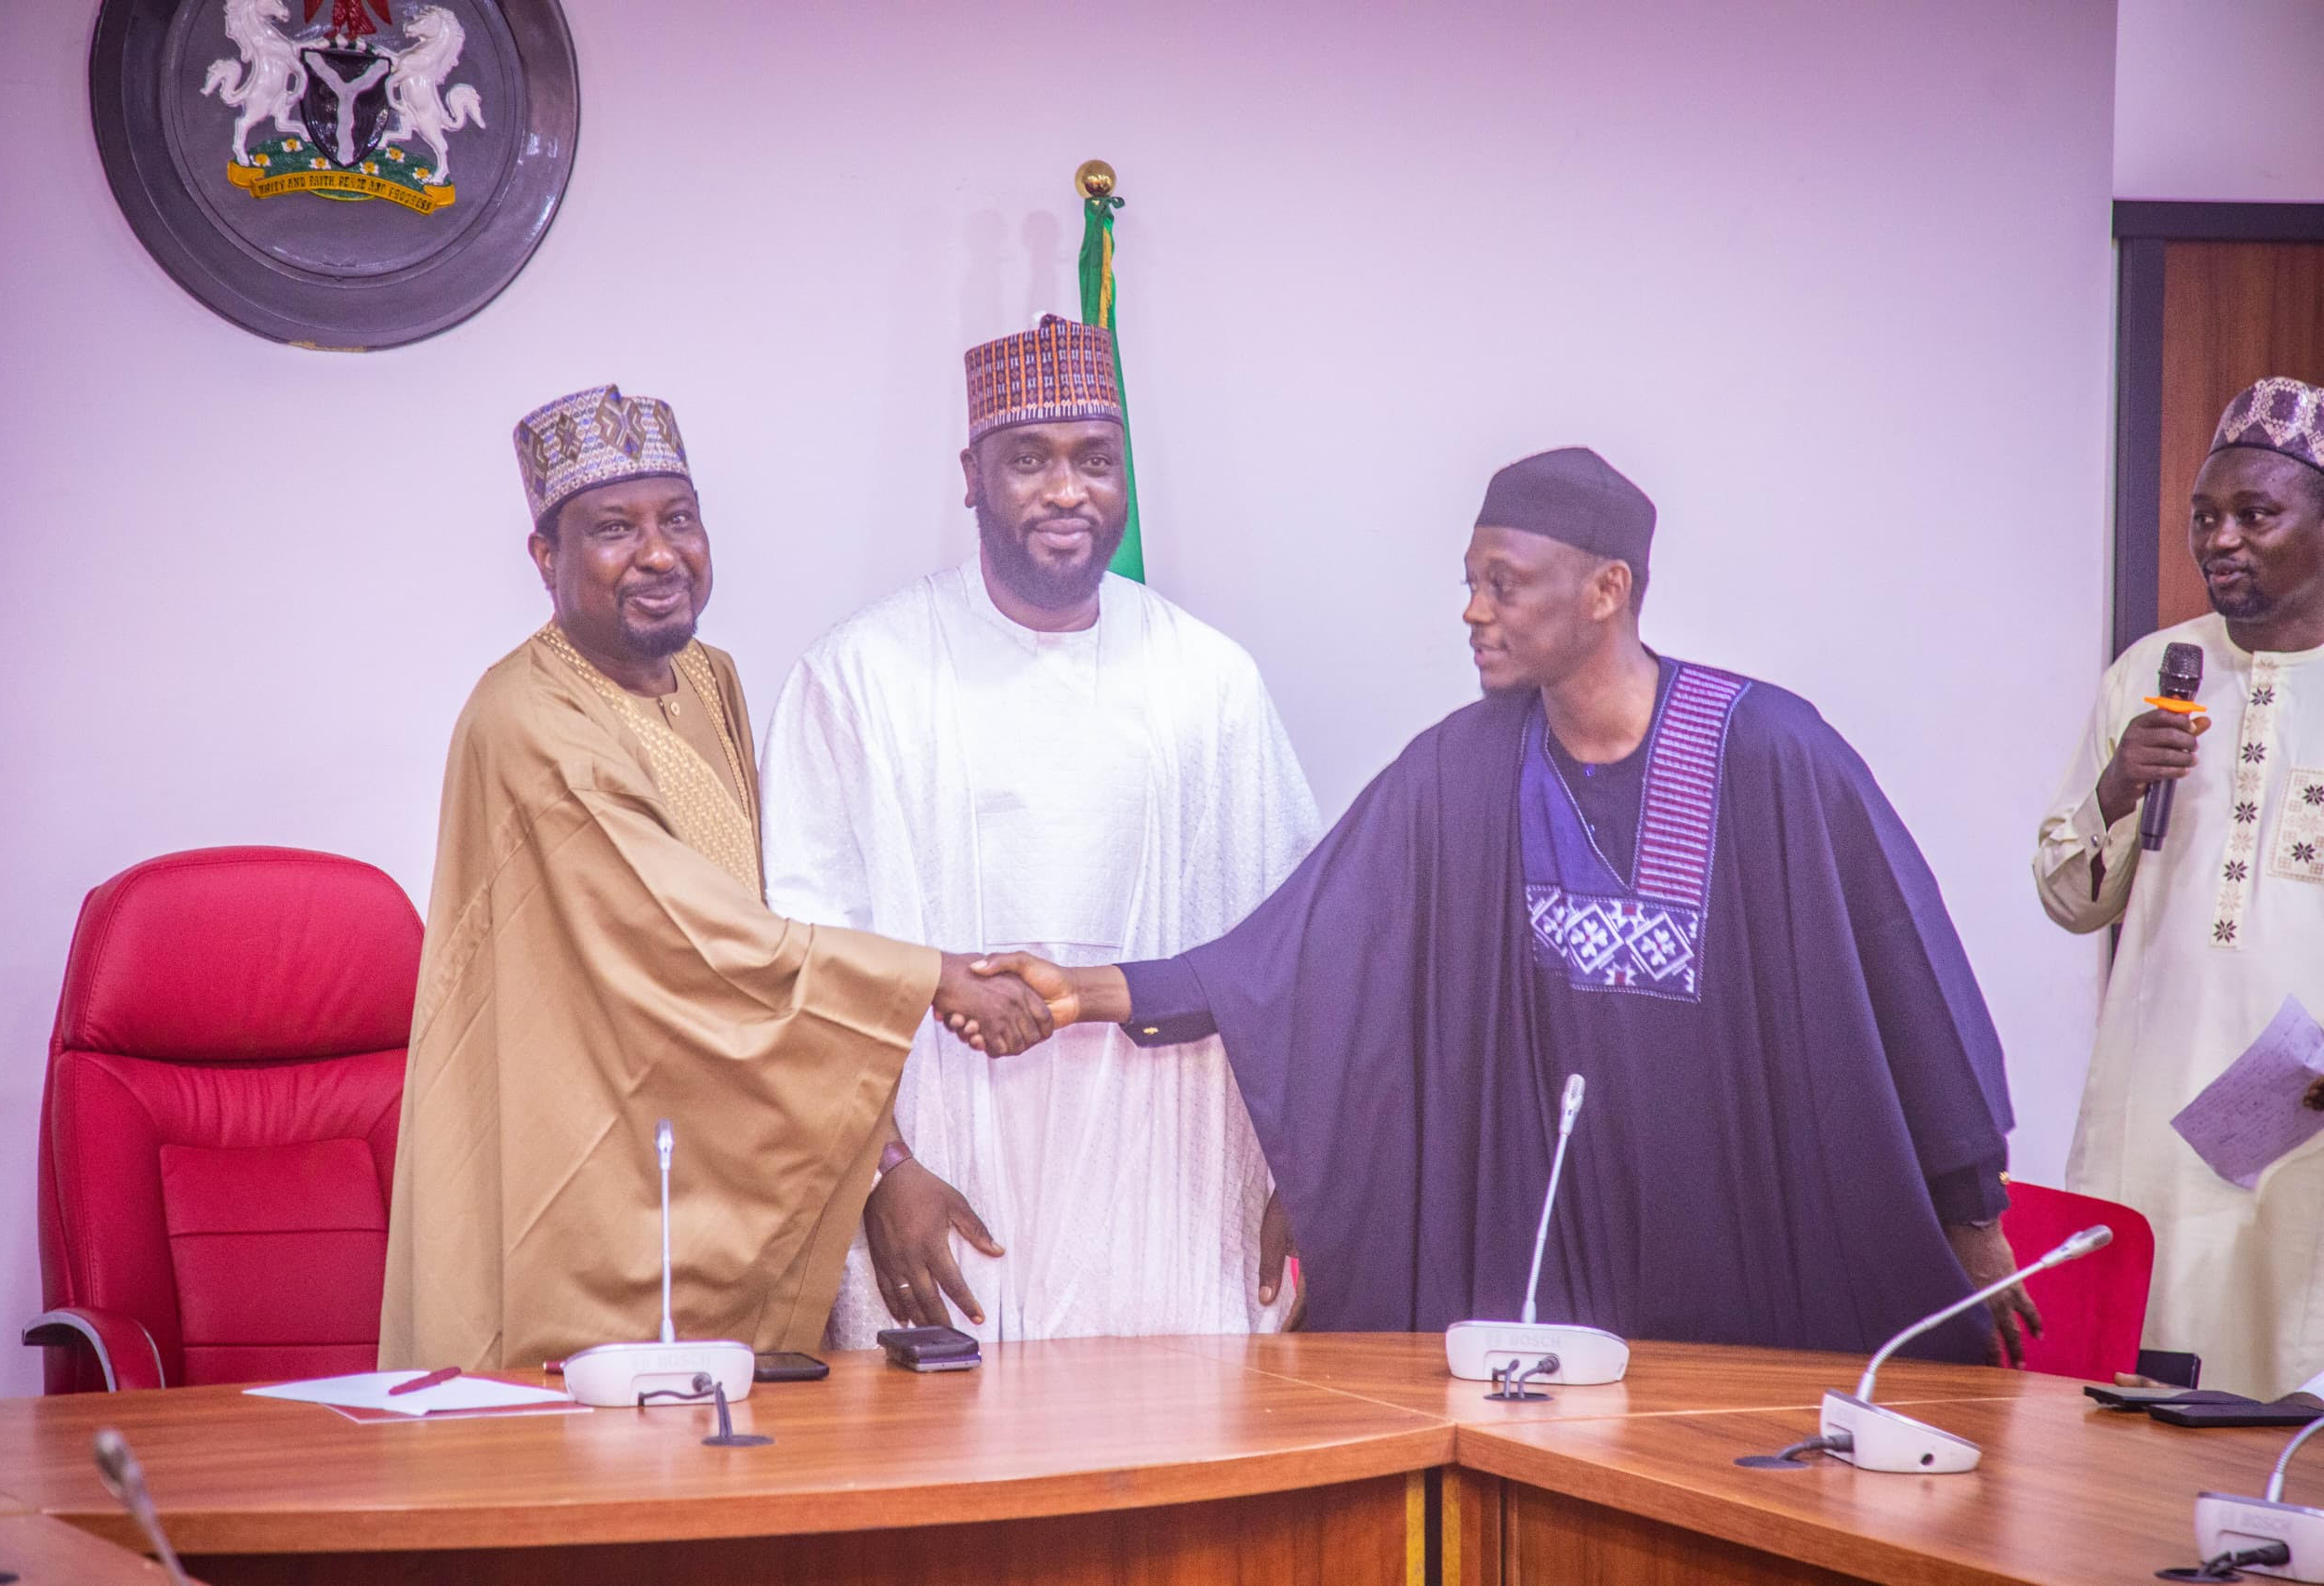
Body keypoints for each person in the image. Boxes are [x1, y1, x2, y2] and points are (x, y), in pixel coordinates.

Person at [972, 446, 2030, 1364]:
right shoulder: (1463, 769)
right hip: (1546, 1279)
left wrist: (1970, 1218)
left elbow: (1903, 975)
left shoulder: (1773, 753)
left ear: (1606, 588)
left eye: (1504, 582)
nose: (1473, 609)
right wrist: (1080, 992)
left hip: (1744, 1263)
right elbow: (1295, 952)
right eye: (1471, 580)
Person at [379, 384, 1052, 1370]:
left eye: (679, 519)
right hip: (584, 1163)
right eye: (613, 528)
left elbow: (767, 913)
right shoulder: (525, 719)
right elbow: (688, 935)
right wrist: (931, 975)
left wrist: (885, 1157)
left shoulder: (709, 679)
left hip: (702, 1149)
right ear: (545, 556)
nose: (658, 554)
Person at [759, 317, 1320, 1345]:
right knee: (943, 1488)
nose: (1068, 490)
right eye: (1030, 459)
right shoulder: (861, 674)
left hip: (1168, 1192)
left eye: (1095, 461)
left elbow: (1291, 949)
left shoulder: (1210, 682)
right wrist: (880, 1173)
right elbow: (804, 949)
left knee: (1174, 1480)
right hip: (940, 1182)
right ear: (970, 475)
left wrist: (1295, 1174)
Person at [2038, 377, 2324, 1398]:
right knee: (2135, 1388)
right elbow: (2070, 899)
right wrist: (2118, 782)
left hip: (2306, 1127)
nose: (2222, 540)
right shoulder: (2150, 671)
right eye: (2205, 517)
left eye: (2256, 514)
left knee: (2289, 1389)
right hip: (2151, 1112)